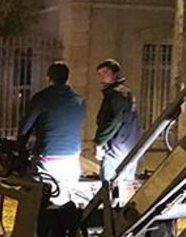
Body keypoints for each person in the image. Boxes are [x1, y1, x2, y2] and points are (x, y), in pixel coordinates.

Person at [18, 61, 86, 207]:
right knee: (68, 203)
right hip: (72, 157)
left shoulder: (41, 98)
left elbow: (24, 128)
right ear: (68, 78)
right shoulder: (79, 101)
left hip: (47, 156)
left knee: (43, 203)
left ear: (48, 78)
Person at [93, 59, 141, 203]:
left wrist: (99, 142)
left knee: (109, 188)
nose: (102, 77)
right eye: (100, 74)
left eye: (105, 73)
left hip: (116, 147)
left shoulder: (114, 95)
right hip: (130, 146)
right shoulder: (127, 93)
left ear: (115, 74)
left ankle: (110, 218)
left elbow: (113, 121)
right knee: (126, 188)